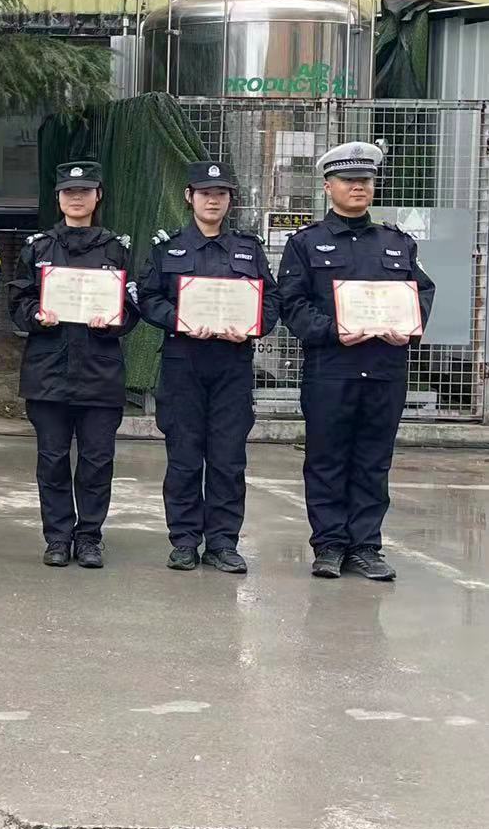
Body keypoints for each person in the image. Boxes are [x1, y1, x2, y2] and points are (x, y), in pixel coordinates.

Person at [278, 141, 434, 581]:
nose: (358, 187)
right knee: (326, 460)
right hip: (332, 369)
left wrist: (409, 327)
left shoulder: (397, 243)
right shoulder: (306, 243)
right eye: (348, 180)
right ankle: (329, 545)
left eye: (365, 180)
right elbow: (292, 304)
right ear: (328, 186)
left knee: (373, 461)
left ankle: (365, 547)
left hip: (385, 369)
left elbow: (421, 292)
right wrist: (333, 330)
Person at [137, 161, 279, 574]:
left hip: (232, 364)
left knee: (228, 459)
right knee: (183, 457)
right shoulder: (168, 249)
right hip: (184, 363)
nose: (212, 200)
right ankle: (184, 541)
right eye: (204, 193)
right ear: (189, 197)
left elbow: (272, 301)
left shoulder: (249, 250)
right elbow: (148, 298)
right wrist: (180, 319)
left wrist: (252, 327)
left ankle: (222, 542)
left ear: (230, 199)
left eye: (220, 193)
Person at [9, 160, 140, 569]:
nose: (77, 198)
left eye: (84, 191)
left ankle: (89, 538)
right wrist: (37, 316)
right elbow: (18, 300)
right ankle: (57, 537)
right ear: (59, 198)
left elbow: (133, 306)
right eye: (69, 192)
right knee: (51, 460)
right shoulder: (38, 248)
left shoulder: (117, 249)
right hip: (48, 371)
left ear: (98, 196)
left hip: (100, 372)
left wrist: (112, 321)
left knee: (97, 462)